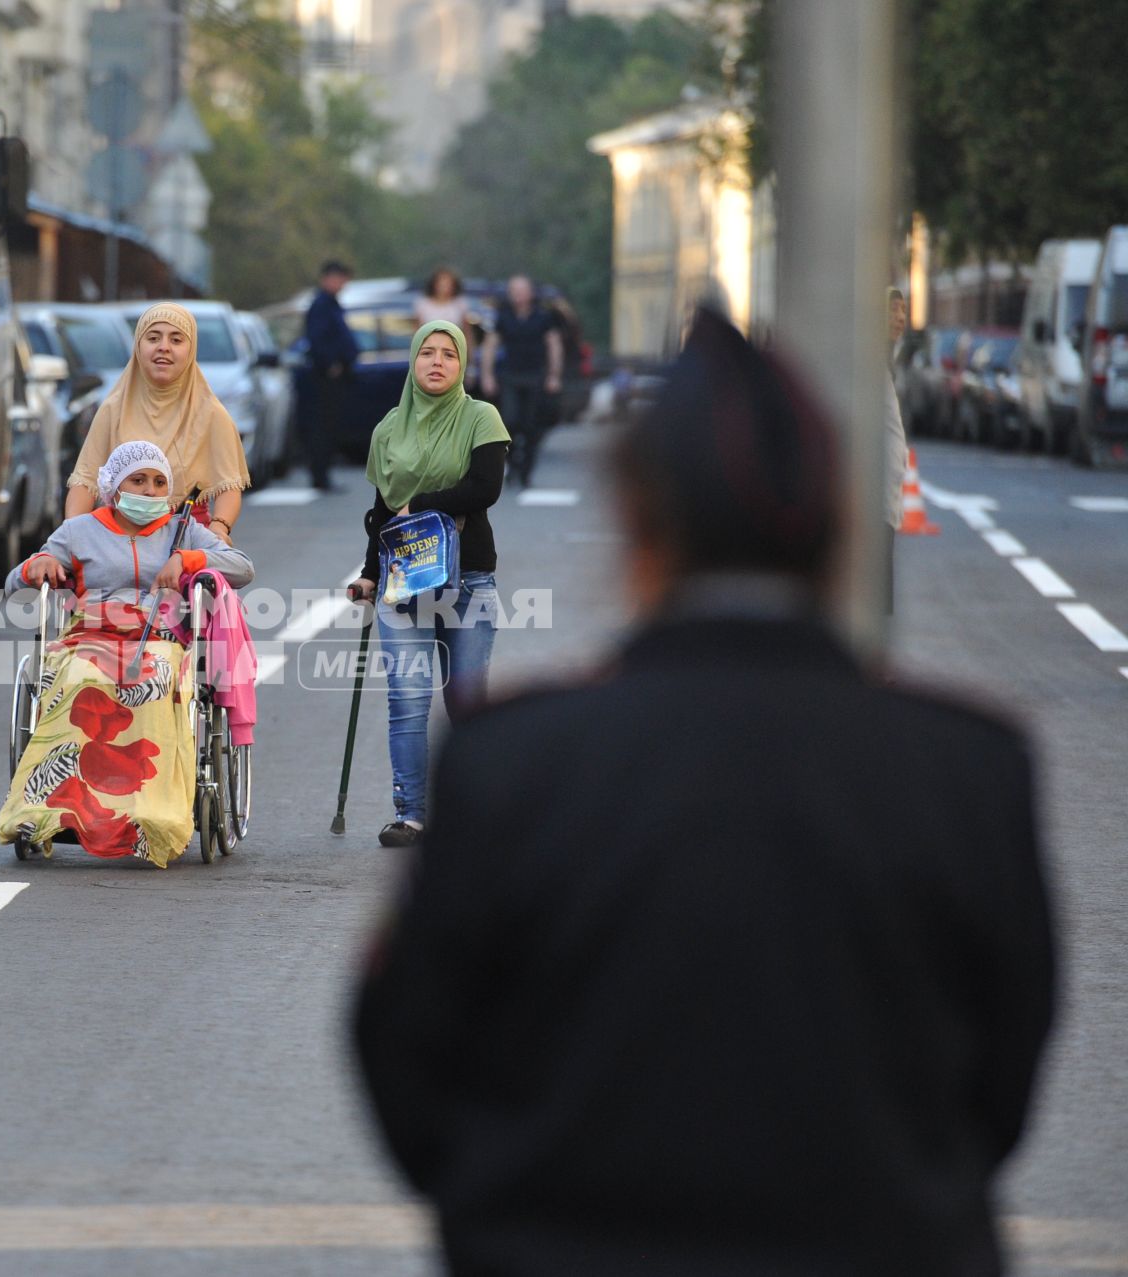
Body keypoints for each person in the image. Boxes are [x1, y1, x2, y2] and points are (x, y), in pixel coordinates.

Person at [354, 309, 1056, 1277]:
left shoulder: (508, 762)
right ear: (845, 533)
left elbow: (407, 1058)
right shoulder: (972, 768)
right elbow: (1004, 1079)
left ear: (639, 530)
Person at [0, 441, 252, 866]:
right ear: (115, 488)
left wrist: (189, 560)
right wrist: (35, 566)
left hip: (161, 639)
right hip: (90, 637)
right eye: (138, 480)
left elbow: (242, 567)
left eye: (158, 483)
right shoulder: (79, 531)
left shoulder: (183, 529)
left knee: (152, 682)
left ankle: (150, 809)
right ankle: (53, 806)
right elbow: (12, 581)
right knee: (82, 678)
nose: (150, 492)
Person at [347, 321, 509, 849]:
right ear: (413, 362)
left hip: (469, 580)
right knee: (408, 699)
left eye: (449, 355)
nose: (437, 362)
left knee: (465, 702)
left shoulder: (480, 417)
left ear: (462, 365)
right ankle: (411, 814)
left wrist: (421, 505)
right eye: (427, 354)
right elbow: (379, 514)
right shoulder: (389, 429)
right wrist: (369, 574)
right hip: (402, 582)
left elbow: (486, 489)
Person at [64, 302, 251, 542]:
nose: (163, 348)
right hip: (116, 544)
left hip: (186, 544)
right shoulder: (113, 409)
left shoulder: (211, 414)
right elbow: (86, 481)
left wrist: (219, 528)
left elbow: (228, 486)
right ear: (138, 346)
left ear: (191, 349)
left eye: (176, 340)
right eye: (153, 338)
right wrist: (69, 535)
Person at [480, 274, 562, 486]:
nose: (517, 295)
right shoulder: (503, 317)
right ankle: (512, 463)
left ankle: (527, 471)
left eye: (521, 290)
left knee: (532, 425)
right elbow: (491, 345)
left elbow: (554, 345)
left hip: (535, 375)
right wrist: (487, 375)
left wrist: (554, 375)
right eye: (513, 290)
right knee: (509, 422)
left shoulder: (543, 317)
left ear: (530, 293)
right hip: (510, 376)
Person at [303, 259, 361, 492]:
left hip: (337, 374)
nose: (341, 284)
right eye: (338, 278)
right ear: (327, 278)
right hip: (326, 375)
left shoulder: (331, 303)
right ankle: (320, 475)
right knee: (323, 426)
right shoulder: (321, 305)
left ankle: (323, 473)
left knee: (331, 426)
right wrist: (331, 364)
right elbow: (317, 339)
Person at [886, 286, 911, 611]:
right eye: (893, 310)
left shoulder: (884, 359)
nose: (901, 318)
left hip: (884, 497)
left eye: (903, 311)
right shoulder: (867, 361)